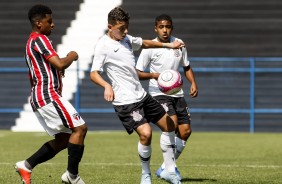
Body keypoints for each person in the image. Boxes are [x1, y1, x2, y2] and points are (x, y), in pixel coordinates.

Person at [90, 7, 183, 184]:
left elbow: (145, 43)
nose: (125, 32)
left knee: (170, 124)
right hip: (126, 102)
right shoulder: (103, 45)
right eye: (121, 29)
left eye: (127, 27)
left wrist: (168, 45)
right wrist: (106, 85)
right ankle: (145, 174)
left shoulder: (126, 39)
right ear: (110, 27)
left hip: (142, 95)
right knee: (146, 134)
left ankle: (169, 171)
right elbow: (93, 73)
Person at [15, 4, 87, 184]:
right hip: (47, 95)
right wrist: (72, 55)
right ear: (39, 23)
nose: (53, 24)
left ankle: (27, 165)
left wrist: (57, 70)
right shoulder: (39, 39)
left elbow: (45, 69)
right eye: (50, 21)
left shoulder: (32, 42)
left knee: (63, 139)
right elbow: (60, 64)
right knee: (80, 128)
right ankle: (72, 176)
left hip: (41, 95)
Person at [136, 14, 198, 181]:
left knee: (185, 131)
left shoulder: (179, 44)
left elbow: (187, 66)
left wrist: (193, 82)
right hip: (158, 93)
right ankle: (171, 170)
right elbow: (137, 72)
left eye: (168, 26)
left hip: (177, 93)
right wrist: (155, 76)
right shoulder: (150, 48)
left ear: (172, 28)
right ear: (156, 28)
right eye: (161, 27)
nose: (165, 30)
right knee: (172, 123)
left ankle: (164, 167)